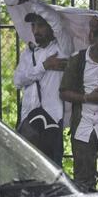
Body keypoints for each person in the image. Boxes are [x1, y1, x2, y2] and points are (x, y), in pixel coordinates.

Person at [59, 23, 98, 194]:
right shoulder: (78, 59)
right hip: (83, 125)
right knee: (83, 176)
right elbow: (64, 92)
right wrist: (87, 98)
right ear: (94, 39)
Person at [14, 11, 70, 166]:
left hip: (51, 118)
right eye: (33, 26)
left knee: (51, 170)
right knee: (26, 169)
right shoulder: (29, 53)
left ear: (50, 27)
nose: (35, 30)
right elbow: (18, 81)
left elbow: (57, 23)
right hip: (28, 119)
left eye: (40, 25)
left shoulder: (61, 49)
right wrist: (45, 66)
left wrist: (34, 4)